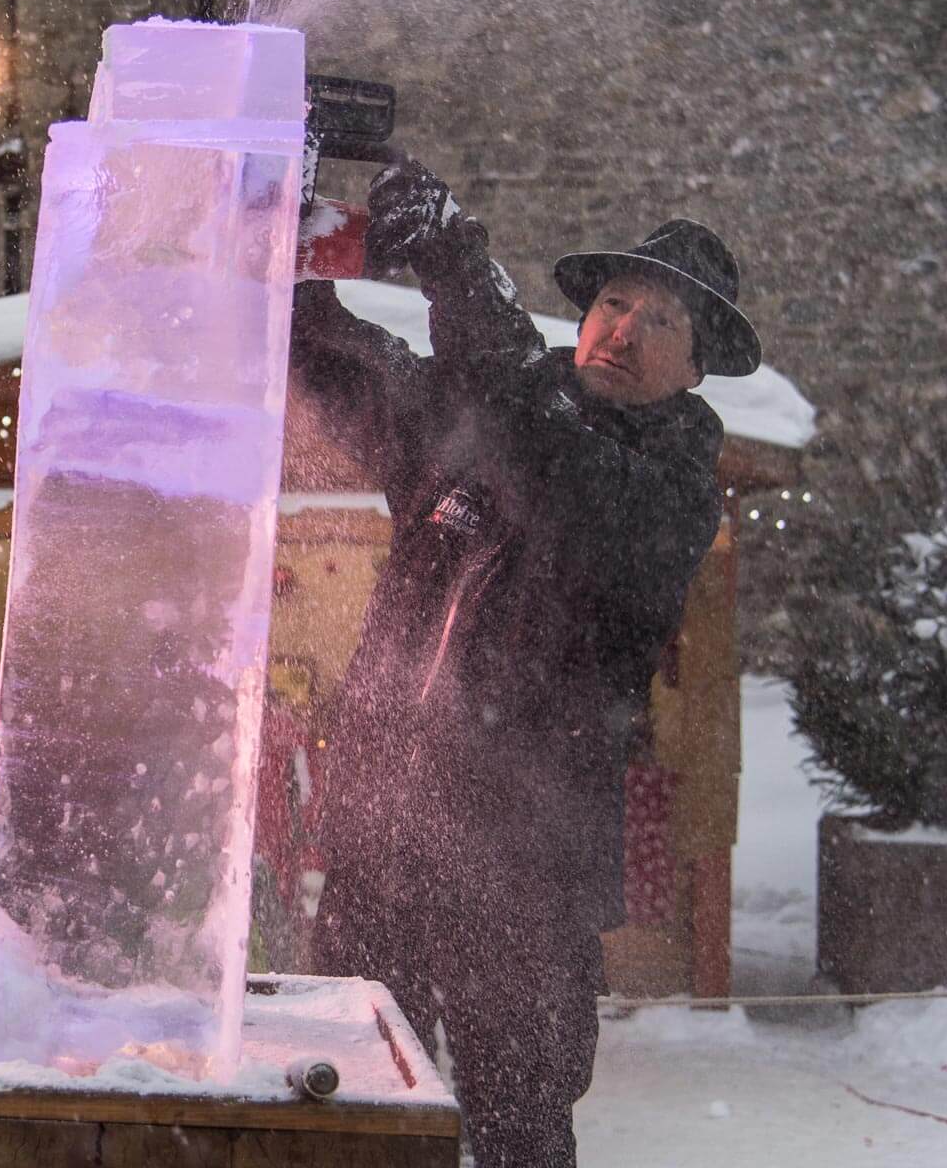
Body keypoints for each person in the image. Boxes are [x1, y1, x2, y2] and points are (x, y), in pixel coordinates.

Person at [292, 160, 758, 1168]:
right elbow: (353, 370)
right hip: (384, 852)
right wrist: (292, 263)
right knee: (353, 1121)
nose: (623, 329)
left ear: (697, 365)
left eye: (661, 322)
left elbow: (553, 466)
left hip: (528, 884)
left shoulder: (668, 492)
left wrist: (461, 274)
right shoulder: (483, 424)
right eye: (615, 302)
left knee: (521, 1135)